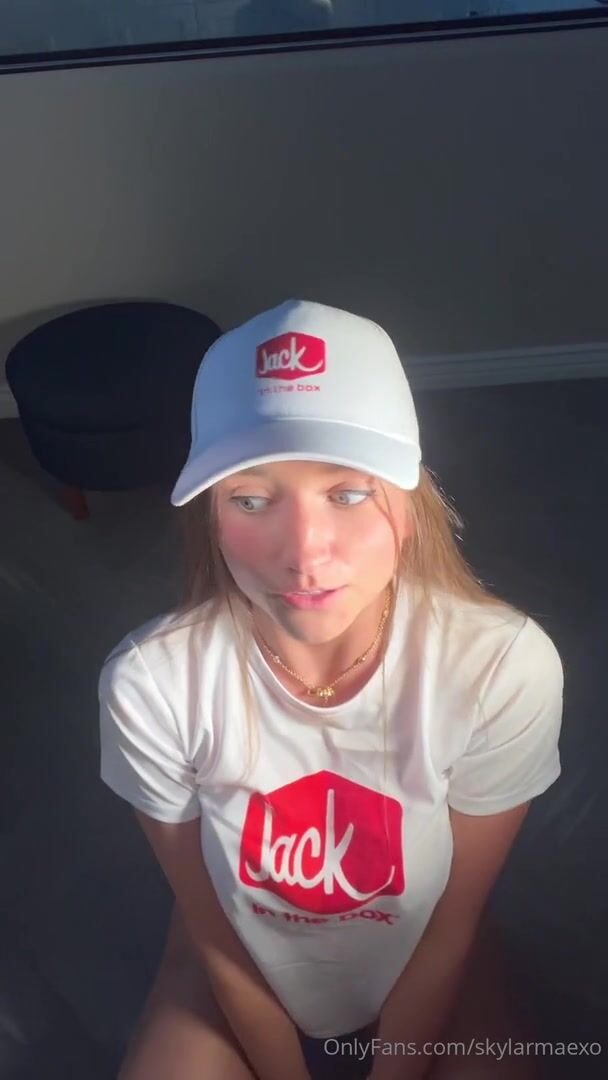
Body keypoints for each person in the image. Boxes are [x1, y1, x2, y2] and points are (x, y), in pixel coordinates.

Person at [98, 299, 563, 1079]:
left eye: (347, 494)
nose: (305, 554)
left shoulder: (501, 667)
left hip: (431, 942)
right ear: (211, 520)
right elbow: (211, 931)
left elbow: (453, 922)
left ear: (409, 511)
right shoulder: (152, 683)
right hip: (238, 952)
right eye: (251, 500)